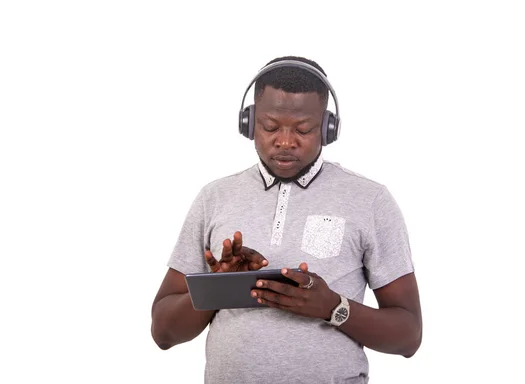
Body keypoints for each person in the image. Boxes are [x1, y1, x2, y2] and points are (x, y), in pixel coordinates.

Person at [150, 56, 422, 383]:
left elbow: (408, 336)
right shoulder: (215, 197)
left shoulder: (371, 201)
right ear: (249, 123)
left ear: (327, 128)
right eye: (270, 126)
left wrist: (333, 307)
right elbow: (163, 333)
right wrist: (217, 288)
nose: (285, 141)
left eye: (303, 129)